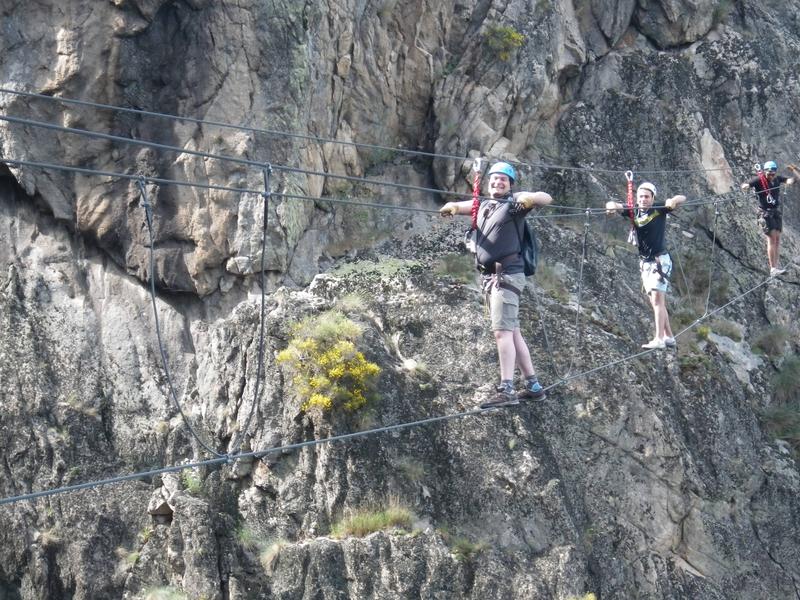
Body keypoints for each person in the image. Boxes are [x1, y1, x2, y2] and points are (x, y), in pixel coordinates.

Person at [439, 161, 552, 408]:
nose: (497, 182)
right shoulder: (484, 205)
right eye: (494, 179)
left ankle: (507, 388)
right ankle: (533, 386)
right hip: (493, 278)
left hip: (506, 276)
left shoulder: (513, 204)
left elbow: (545, 198)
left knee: (502, 332)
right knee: (512, 332)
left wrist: (529, 199)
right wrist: (452, 207)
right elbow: (462, 206)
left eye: (503, 180)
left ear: (510, 184)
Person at [605, 182, 686, 350]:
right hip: (645, 263)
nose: (643, 199)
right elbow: (616, 205)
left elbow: (682, 198)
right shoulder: (634, 210)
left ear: (653, 198)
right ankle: (669, 336)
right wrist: (610, 206)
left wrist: (673, 200)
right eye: (640, 196)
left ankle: (658, 338)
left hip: (660, 261)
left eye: (646, 197)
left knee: (657, 300)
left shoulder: (658, 207)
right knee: (656, 302)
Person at [740, 161, 798, 276]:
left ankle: (776, 267)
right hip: (765, 213)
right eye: (769, 173)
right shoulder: (759, 180)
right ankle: (773, 269)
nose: (771, 175)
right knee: (771, 239)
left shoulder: (777, 179)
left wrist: (794, 170)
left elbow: (790, 181)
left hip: (775, 212)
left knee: (777, 240)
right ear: (765, 172)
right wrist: (745, 186)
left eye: (773, 173)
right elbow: (746, 184)